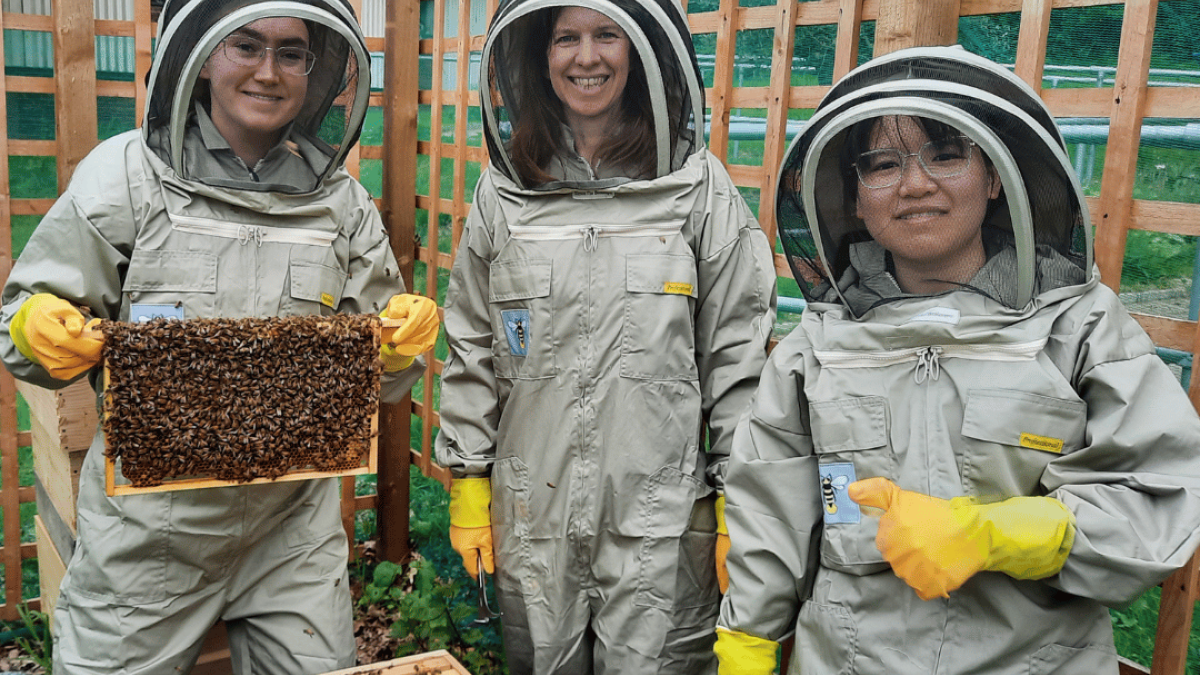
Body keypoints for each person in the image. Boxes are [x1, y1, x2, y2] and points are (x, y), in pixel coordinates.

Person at [714, 45, 1200, 674]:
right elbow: (768, 511)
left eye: (945, 154)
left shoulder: (1081, 328)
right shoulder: (816, 347)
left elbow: (1159, 490)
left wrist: (1003, 534)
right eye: (882, 165)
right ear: (855, 198)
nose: (916, 185)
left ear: (996, 175)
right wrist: (746, 647)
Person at [0, 1, 439, 673]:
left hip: (294, 528)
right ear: (202, 57)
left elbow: (378, 371)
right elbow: (22, 322)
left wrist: (398, 344)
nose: (269, 71)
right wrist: (35, 327)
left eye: (291, 53)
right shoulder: (126, 175)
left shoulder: (342, 204)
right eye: (246, 46)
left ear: (314, 71)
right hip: (150, 534)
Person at [433, 0, 777, 671]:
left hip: (660, 523)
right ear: (540, 56)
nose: (585, 57)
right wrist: (469, 479)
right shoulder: (503, 192)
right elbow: (473, 342)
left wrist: (742, 500)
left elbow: (739, 356)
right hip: (531, 519)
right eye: (566, 38)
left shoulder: (699, 189)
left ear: (643, 51)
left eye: (605, 35)